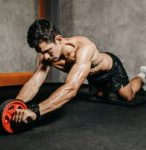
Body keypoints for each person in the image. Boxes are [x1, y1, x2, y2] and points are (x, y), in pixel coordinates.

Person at [12, 19, 146, 123]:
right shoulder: (46, 57)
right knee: (100, 96)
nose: (45, 56)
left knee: (128, 97)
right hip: (92, 75)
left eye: (48, 51)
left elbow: (71, 88)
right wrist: (14, 105)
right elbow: (34, 83)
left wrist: (36, 110)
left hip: (111, 69)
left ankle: (142, 75)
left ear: (58, 39)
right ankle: (110, 85)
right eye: (42, 52)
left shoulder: (84, 48)